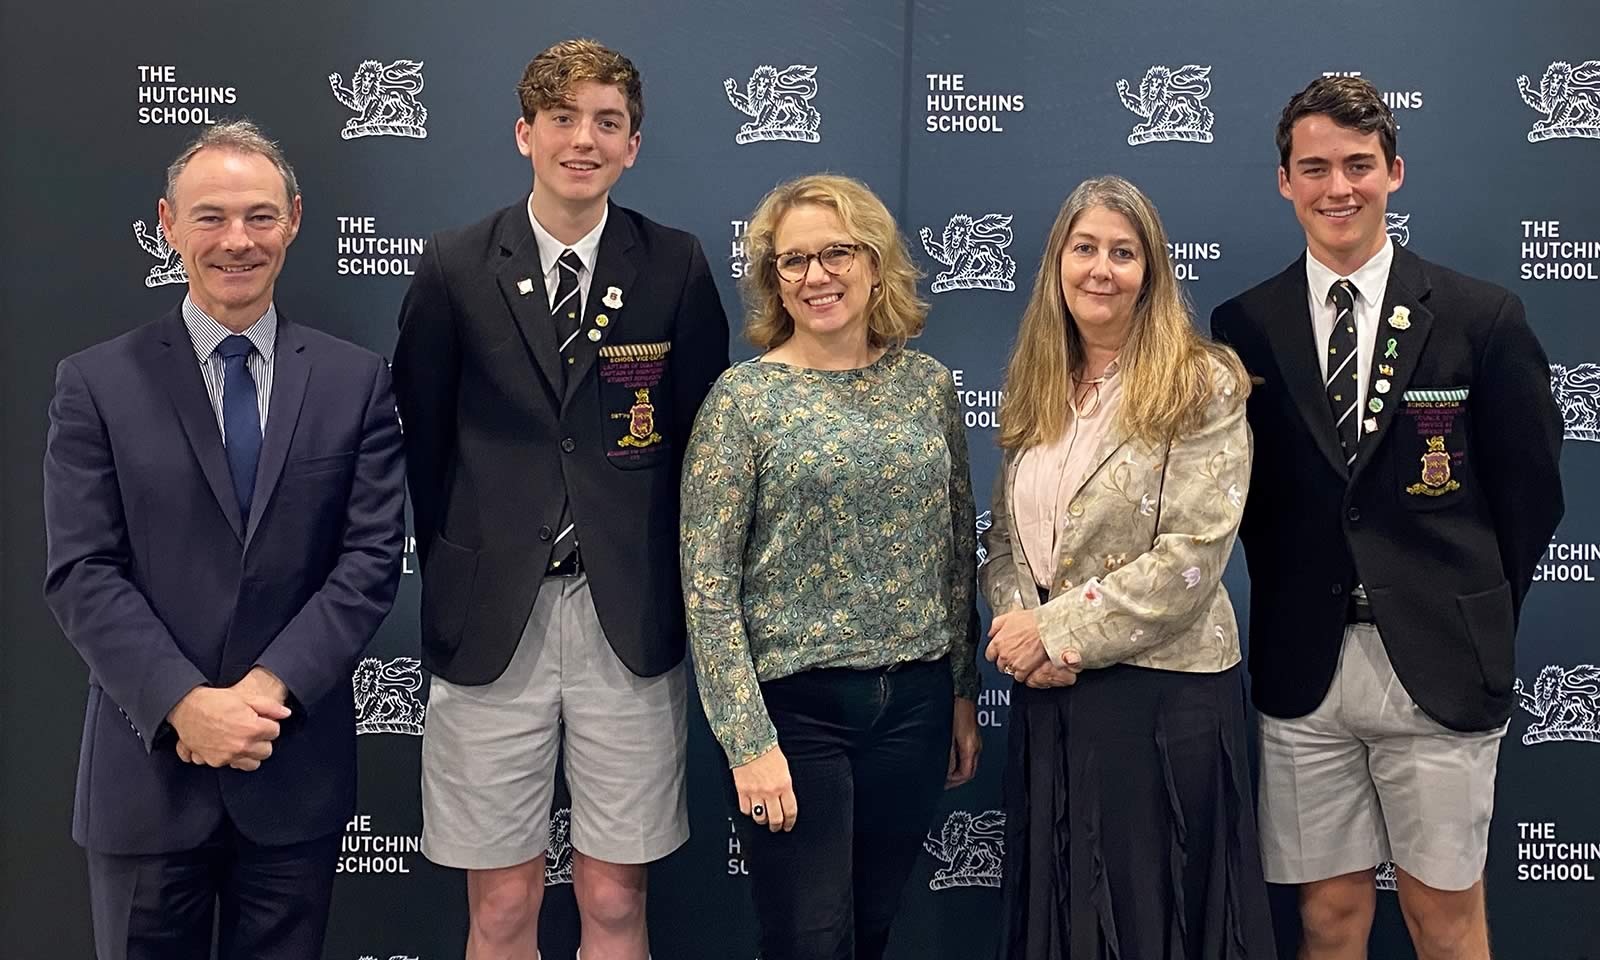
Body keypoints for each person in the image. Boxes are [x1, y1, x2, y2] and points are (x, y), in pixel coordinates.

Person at [1210, 76, 1564, 960]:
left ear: (1395, 173)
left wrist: (1463, 608)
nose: (1339, 187)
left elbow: (1531, 495)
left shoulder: (1482, 318)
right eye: (1315, 166)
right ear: (1282, 181)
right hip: (1305, 669)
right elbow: (1241, 497)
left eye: (1359, 166)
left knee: (1444, 922)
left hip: (1440, 664)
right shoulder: (1243, 325)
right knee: (1328, 921)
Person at [392, 38, 729, 960]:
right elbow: (423, 439)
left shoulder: (676, 265)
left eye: (607, 123)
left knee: (615, 900)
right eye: (563, 119)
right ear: (524, 134)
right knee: (499, 910)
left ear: (633, 145)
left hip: (628, 616)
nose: (584, 139)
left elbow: (703, 447)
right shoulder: (456, 265)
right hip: (494, 618)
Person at [42, 120, 405, 959]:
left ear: (295, 220)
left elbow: (368, 563)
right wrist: (183, 704)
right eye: (210, 217)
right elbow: (82, 571)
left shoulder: (355, 381)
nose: (235, 240)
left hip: (291, 773)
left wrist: (262, 695)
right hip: (145, 779)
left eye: (258, 216)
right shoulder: (95, 384)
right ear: (168, 224)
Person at [680, 173, 981, 960]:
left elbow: (955, 553)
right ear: (774, 280)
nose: (817, 277)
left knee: (874, 926)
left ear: (876, 263)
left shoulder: (927, 386)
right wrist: (748, 742)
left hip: (913, 706)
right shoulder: (741, 401)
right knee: (809, 939)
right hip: (794, 714)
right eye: (793, 262)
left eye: (837, 253)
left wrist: (958, 693)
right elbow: (707, 590)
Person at [980, 175, 1277, 959]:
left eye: (1123, 252)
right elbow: (1009, 542)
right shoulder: (1036, 383)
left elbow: (1193, 555)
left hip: (1162, 701)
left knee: (1151, 926)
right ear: (1057, 263)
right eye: (1085, 249)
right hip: (1052, 699)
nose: (1101, 269)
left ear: (1152, 272)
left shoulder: (1201, 380)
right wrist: (1022, 631)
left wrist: (1051, 630)